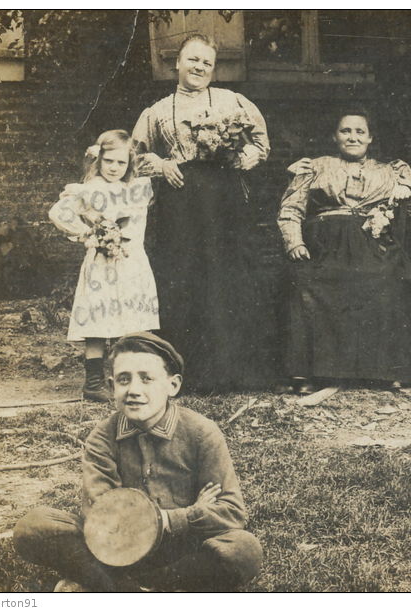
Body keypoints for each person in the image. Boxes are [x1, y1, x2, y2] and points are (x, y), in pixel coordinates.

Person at [12, 332, 263, 591]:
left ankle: (122, 586)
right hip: (113, 550)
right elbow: (100, 516)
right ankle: (138, 591)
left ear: (172, 385)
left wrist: (166, 521)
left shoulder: (201, 432)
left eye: (146, 379)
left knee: (244, 549)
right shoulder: (103, 435)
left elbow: (231, 512)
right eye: (124, 380)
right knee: (34, 526)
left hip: (182, 551)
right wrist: (190, 514)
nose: (134, 390)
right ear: (111, 387)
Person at [132, 34, 270, 392]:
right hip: (181, 203)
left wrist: (245, 157)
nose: (199, 68)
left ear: (214, 68)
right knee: (185, 277)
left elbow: (260, 144)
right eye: (192, 60)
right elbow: (135, 157)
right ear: (176, 63)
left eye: (206, 63)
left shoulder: (232, 102)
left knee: (228, 276)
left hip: (224, 202)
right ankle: (187, 373)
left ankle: (234, 372)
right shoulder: (157, 111)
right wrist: (162, 165)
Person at [277, 110, 411, 390]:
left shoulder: (391, 171)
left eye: (360, 131)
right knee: (306, 281)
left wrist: (407, 201)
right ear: (335, 137)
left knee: (391, 278)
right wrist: (294, 241)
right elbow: (291, 208)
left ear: (370, 137)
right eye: (346, 131)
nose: (352, 137)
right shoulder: (315, 166)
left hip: (372, 244)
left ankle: (384, 371)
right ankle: (307, 372)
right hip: (323, 244)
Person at [48, 130, 158, 402]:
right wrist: (87, 235)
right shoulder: (90, 189)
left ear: (129, 164)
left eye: (121, 163)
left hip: (133, 264)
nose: (114, 168)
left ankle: (127, 379)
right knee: (98, 321)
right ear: (98, 160)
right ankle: (94, 383)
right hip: (102, 266)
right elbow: (58, 213)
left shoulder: (136, 188)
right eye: (109, 161)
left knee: (131, 322)